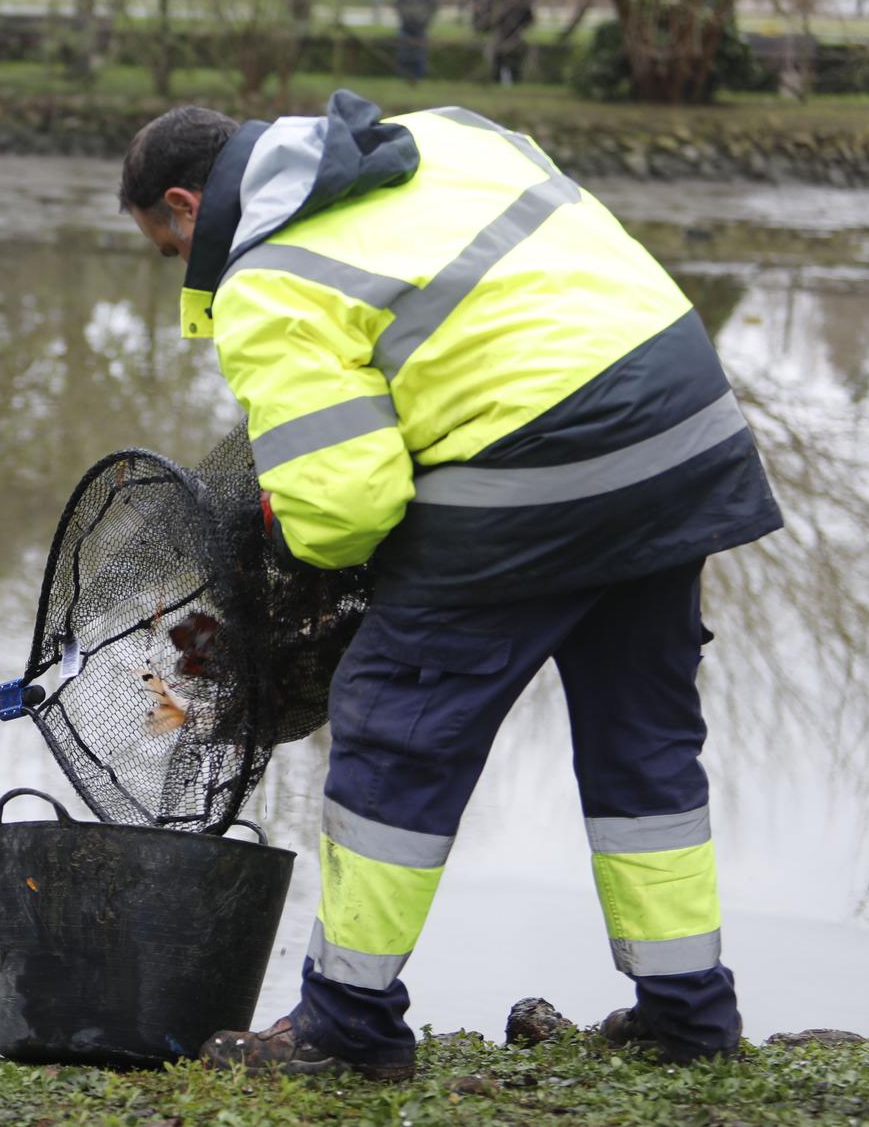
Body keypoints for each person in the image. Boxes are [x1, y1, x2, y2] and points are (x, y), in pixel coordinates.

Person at [115, 94, 782, 1080]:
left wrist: (284, 543)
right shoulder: (449, 132)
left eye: (169, 248)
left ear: (184, 205)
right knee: (641, 738)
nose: (184, 266)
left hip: (534, 471)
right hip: (681, 442)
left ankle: (345, 1025)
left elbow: (347, 505)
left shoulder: (268, 276)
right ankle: (688, 1012)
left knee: (395, 731)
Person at [479, 0, 535, 84]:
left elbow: (528, 17)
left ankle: (515, 81)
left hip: (516, 35)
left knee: (514, 61)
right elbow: (488, 12)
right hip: (501, 33)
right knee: (498, 59)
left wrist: (522, 27)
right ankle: (497, 81)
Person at [392, 0, 439, 84]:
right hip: (406, 26)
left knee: (420, 56)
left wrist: (425, 21)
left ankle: (418, 78)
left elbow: (433, 7)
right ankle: (402, 78)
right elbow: (398, 3)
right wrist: (405, 17)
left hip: (421, 28)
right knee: (404, 55)